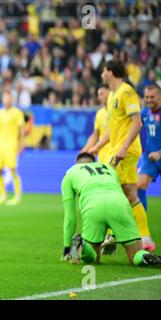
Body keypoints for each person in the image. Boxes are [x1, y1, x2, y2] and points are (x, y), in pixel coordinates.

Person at [89, 59, 155, 251]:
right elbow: (111, 128)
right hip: (115, 150)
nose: (101, 74)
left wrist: (124, 147)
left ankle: (137, 236)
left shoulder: (127, 92)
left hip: (126, 151)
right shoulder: (112, 97)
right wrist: (97, 147)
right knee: (123, 193)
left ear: (110, 72)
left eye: (104, 70)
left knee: (125, 192)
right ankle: (123, 235)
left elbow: (137, 122)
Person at [61, 152, 161, 268]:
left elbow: (70, 218)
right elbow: (117, 195)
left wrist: (67, 249)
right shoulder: (109, 170)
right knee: (135, 254)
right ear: (94, 162)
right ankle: (144, 256)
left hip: (94, 207)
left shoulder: (70, 174)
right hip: (119, 204)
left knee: (93, 258)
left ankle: (82, 245)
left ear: (77, 163)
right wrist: (113, 235)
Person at [0, 89, 25, 205]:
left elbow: (22, 130)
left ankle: (17, 195)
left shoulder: (17, 113)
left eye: (9, 98)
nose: (7, 100)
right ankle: (2, 195)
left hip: (11, 144)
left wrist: (22, 144)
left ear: (12, 99)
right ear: (2, 99)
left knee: (12, 169)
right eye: (5, 98)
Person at [137, 84, 161, 212]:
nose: (149, 100)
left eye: (152, 97)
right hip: (149, 157)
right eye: (146, 97)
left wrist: (159, 153)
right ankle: (141, 228)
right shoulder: (145, 112)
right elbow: (134, 127)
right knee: (138, 187)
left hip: (158, 154)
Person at [80, 84, 111, 164]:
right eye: (98, 95)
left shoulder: (118, 112)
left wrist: (96, 147)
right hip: (102, 156)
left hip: (114, 154)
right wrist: (85, 149)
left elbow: (111, 132)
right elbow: (96, 134)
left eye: (101, 94)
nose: (99, 97)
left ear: (110, 92)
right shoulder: (100, 113)